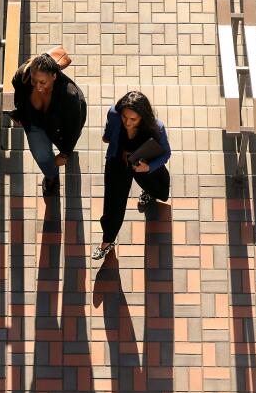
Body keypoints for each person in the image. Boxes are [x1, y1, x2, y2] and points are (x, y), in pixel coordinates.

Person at [93, 91, 172, 260]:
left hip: (143, 163)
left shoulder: (156, 127)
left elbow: (166, 154)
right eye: (124, 118)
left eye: (133, 119)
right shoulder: (114, 113)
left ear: (143, 117)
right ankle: (107, 241)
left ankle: (149, 192)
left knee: (157, 187)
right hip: (118, 162)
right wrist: (109, 136)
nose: (127, 123)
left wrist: (149, 167)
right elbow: (108, 134)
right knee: (113, 203)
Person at [10, 53, 88, 196]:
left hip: (61, 128)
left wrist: (65, 153)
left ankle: (65, 156)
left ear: (54, 77)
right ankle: (52, 177)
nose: (38, 86)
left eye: (43, 82)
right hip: (34, 123)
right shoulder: (23, 74)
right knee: (41, 156)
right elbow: (18, 92)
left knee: (64, 149)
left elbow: (74, 128)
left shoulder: (70, 96)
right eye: (34, 81)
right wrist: (19, 113)